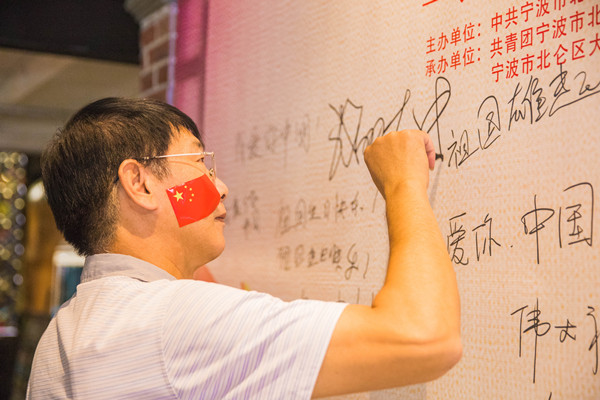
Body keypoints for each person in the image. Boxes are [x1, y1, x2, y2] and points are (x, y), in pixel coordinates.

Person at [27, 97, 461, 399]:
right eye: (199, 163)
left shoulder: (65, 330)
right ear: (139, 184)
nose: (220, 187)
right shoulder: (172, 319)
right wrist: (404, 184)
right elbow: (425, 338)